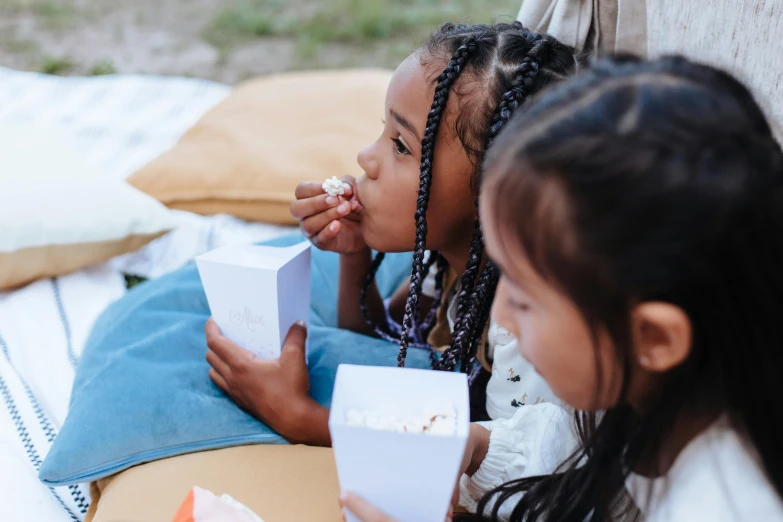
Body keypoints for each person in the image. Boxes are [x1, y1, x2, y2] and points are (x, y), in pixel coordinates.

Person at [341, 55, 783, 521]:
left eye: (526, 299)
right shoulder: (657, 396)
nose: (503, 318)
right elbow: (571, 439)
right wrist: (478, 446)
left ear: (654, 337)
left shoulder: (727, 505)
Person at [205, 21, 586, 445]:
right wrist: (355, 252)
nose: (366, 158)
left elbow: (493, 460)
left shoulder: (527, 323)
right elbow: (374, 335)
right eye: (383, 130)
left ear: (492, 193)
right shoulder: (451, 260)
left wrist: (301, 419)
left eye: (401, 145)